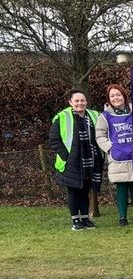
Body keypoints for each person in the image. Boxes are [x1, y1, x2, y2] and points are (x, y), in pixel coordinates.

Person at [50, 90, 103, 230]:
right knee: (73, 191)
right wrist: (66, 157)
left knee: (85, 191)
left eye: (83, 100)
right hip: (71, 162)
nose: (80, 103)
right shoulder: (62, 117)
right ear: (70, 102)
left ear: (86, 101)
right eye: (77, 101)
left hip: (89, 161)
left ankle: (85, 219)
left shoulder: (94, 115)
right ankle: (75, 221)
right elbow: (54, 140)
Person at [95, 84, 133, 227]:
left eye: (118, 95)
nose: (115, 98)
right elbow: (100, 136)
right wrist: (110, 149)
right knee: (122, 187)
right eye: (112, 96)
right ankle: (122, 218)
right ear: (109, 99)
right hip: (118, 157)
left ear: (124, 95)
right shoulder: (105, 116)